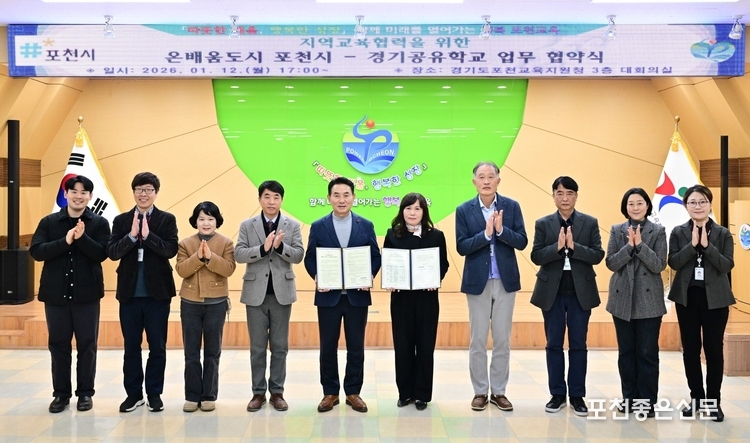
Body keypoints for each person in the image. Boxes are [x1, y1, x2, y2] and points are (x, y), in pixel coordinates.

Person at [29, 175, 110, 413]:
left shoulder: (99, 223)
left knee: (87, 345)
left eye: (83, 192)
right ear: (65, 194)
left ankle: (85, 394)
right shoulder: (49, 222)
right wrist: (65, 241)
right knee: (58, 346)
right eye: (73, 191)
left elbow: (102, 253)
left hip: (87, 296)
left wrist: (82, 238)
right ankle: (61, 395)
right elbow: (36, 251)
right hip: (56, 296)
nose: (78, 196)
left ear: (90, 196)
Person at [304, 177, 381, 413]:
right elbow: (310, 258)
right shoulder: (319, 226)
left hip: (357, 297)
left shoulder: (365, 225)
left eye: (346, 195)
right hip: (329, 297)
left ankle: (353, 392)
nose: (341, 200)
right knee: (328, 346)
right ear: (329, 198)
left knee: (356, 346)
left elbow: (375, 256)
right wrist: (317, 276)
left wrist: (369, 275)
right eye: (336, 195)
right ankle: (330, 392)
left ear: (353, 197)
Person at [455, 161, 527, 412]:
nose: (486, 181)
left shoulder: (511, 206)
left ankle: (498, 391)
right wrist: (486, 235)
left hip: (505, 281)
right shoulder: (464, 210)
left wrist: (501, 230)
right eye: (481, 177)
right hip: (478, 282)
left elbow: (522, 241)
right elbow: (462, 246)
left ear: (498, 180)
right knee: (477, 340)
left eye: (490, 176)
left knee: (502, 339)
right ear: (474, 181)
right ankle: (479, 391)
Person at [530, 176, 604, 416]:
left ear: (576, 196)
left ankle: (578, 396)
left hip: (580, 293)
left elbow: (597, 255)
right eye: (560, 193)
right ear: (553, 196)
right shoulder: (543, 224)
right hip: (552, 293)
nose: (564, 198)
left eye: (569, 193)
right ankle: (557, 394)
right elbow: (536, 256)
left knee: (578, 344)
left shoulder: (589, 223)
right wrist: (557, 247)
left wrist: (574, 247)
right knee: (553, 344)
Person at [107, 172, 178, 413]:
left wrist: (148, 237)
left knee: (157, 346)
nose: (143, 194)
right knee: (131, 347)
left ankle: (154, 393)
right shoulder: (121, 220)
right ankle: (134, 394)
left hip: (157, 294)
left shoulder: (167, 219)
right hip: (129, 294)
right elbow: (113, 252)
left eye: (148, 189)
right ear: (133, 192)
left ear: (156, 193)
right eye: (139, 189)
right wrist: (131, 236)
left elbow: (170, 250)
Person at [235, 180, 304, 412]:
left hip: (282, 294)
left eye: (276, 197)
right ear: (259, 199)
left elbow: (298, 255)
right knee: (257, 347)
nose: (271, 201)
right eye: (267, 196)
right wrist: (263, 249)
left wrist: (280, 247)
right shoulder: (247, 225)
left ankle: (277, 392)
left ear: (281, 200)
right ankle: (257, 393)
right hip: (255, 294)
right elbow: (239, 254)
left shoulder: (292, 225)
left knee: (280, 347)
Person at [667, 184, 734, 422]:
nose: (698, 206)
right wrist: (692, 245)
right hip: (687, 299)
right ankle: (696, 398)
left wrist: (707, 246)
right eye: (693, 202)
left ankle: (713, 402)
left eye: (702, 202)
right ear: (686, 206)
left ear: (710, 204)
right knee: (691, 350)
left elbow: (727, 265)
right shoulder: (678, 232)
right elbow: (674, 262)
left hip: (716, 300)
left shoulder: (723, 233)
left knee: (714, 350)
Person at [383, 192, 449, 411]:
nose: (412, 213)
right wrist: (390, 280)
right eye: (408, 208)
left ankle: (422, 394)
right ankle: (405, 393)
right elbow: (388, 262)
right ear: (402, 211)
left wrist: (435, 278)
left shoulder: (436, 236)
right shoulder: (392, 234)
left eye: (417, 208)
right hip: (401, 299)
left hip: (426, 299)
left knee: (425, 346)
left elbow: (443, 264)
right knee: (402, 347)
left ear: (424, 212)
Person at [605, 188, 666, 417]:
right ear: (625, 207)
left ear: (647, 206)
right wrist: (629, 247)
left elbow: (659, 265)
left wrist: (640, 246)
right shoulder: (617, 230)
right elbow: (611, 263)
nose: (635, 207)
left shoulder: (658, 231)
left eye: (640, 203)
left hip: (649, 301)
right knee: (626, 352)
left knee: (647, 352)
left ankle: (647, 401)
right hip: (622, 299)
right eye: (631, 204)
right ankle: (629, 398)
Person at [175, 201, 236, 413]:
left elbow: (229, 269)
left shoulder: (226, 243)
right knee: (191, 352)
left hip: (216, 303)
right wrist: (198, 257)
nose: (206, 223)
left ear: (217, 221)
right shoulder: (185, 243)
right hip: (190, 303)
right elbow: (181, 270)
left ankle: (209, 395)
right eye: (201, 219)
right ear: (195, 221)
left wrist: (210, 257)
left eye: (210, 219)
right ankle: (192, 396)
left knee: (212, 352)